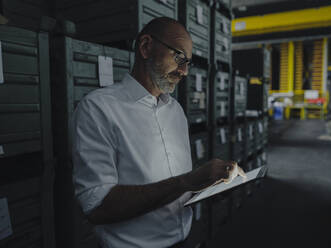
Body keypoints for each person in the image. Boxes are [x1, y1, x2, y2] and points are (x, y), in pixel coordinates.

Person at [71, 17, 237, 248]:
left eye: (188, 63)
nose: (185, 71)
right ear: (146, 47)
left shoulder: (175, 110)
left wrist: (208, 185)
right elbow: (96, 206)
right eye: (179, 58)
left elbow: (177, 186)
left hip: (184, 240)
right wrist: (187, 181)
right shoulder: (98, 108)